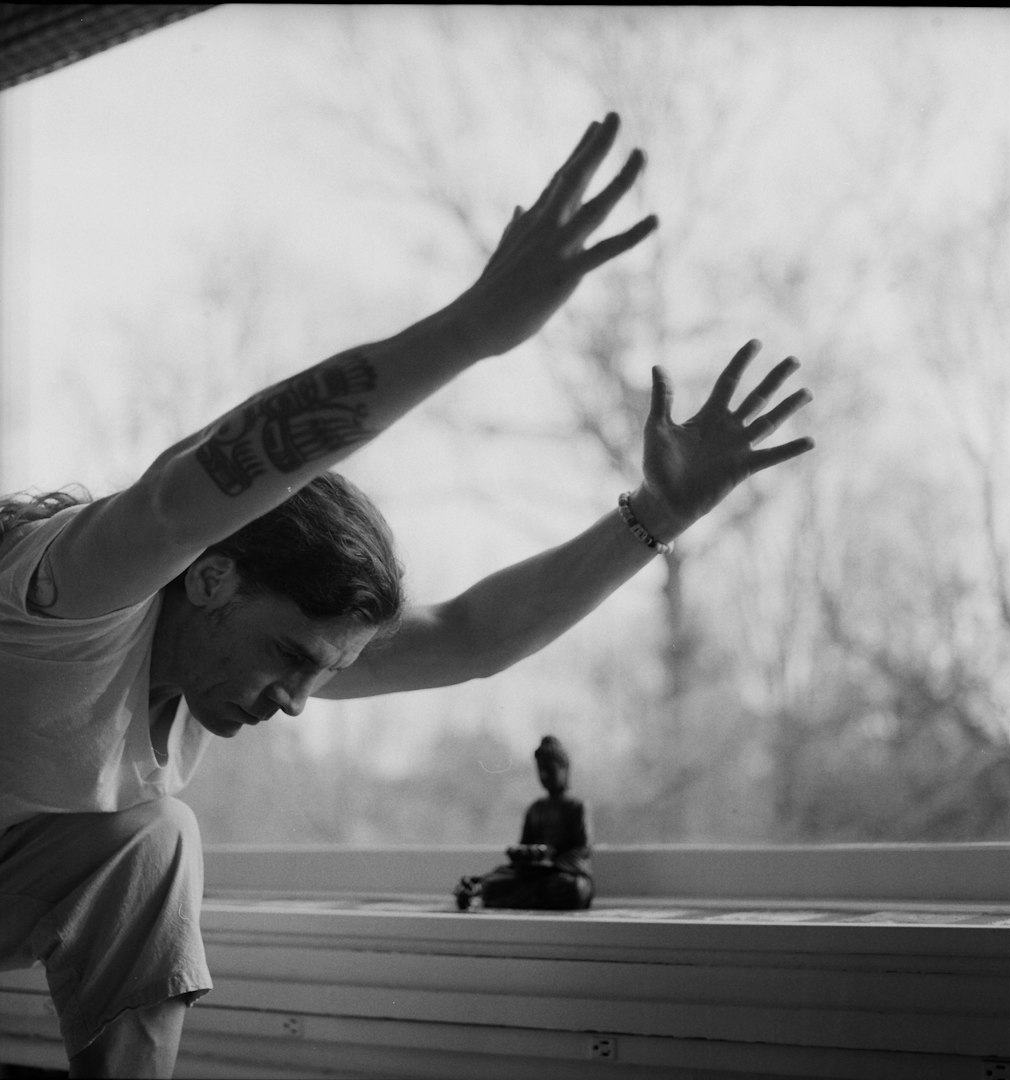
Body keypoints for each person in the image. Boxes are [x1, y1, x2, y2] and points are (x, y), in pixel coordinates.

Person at [0, 112, 814, 1078]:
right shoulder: (79, 594)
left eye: (320, 673)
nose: (296, 701)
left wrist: (653, 517)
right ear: (214, 575)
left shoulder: (220, 660)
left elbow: (472, 635)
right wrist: (469, 330)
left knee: (153, 837)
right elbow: (193, 495)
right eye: (291, 658)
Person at [455, 735, 593, 911]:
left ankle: (521, 896)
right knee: (494, 880)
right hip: (534, 875)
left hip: (562, 873)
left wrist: (553, 863)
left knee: (573, 888)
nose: (544, 775)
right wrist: (524, 857)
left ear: (564, 768)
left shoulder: (577, 807)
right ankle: (479, 890)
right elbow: (525, 846)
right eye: (540, 770)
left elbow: (583, 849)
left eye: (549, 769)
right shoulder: (535, 809)